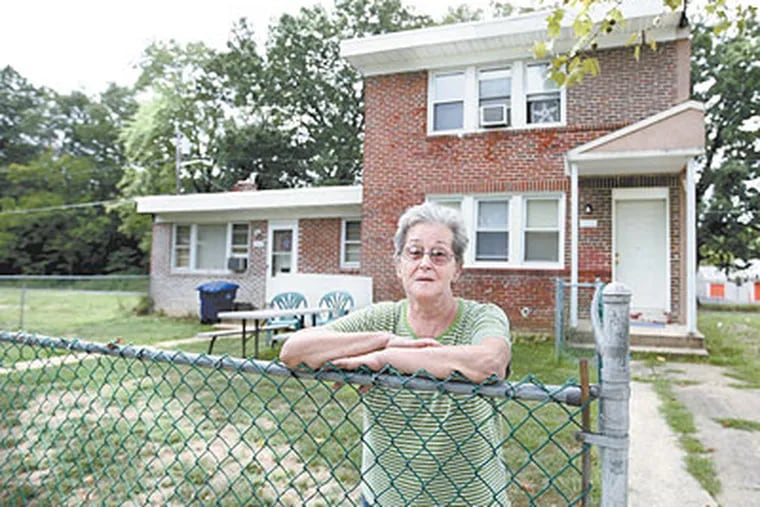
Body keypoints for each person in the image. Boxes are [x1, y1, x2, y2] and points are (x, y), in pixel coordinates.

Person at [280, 201, 512, 506]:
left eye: (439, 254)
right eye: (414, 253)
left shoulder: (482, 317)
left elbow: (489, 362)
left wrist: (385, 358)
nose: (425, 263)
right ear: (399, 266)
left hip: (470, 500)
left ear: (457, 269)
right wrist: (384, 339)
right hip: (385, 499)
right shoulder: (380, 319)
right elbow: (293, 351)